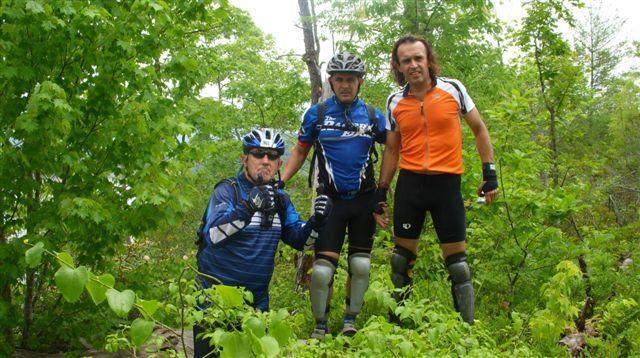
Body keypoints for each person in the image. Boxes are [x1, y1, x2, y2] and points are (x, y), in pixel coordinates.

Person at [373, 35, 499, 325]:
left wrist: (488, 173)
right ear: (398, 66)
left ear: (428, 59)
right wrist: (381, 191)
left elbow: (480, 129)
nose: (414, 65)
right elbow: (392, 149)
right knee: (401, 261)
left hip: (446, 186)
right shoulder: (395, 101)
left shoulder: (453, 89)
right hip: (410, 186)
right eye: (407, 60)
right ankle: (396, 329)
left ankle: (466, 332)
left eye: (418, 58)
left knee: (458, 267)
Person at [194, 128, 333, 356]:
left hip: (256, 302)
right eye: (258, 154)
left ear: (280, 164)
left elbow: (300, 241)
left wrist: (317, 222)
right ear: (244, 158)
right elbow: (213, 236)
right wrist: (248, 207)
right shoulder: (228, 191)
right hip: (214, 301)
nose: (265, 161)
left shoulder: (280, 200)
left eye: (273, 156)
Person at [281, 52, 387, 339]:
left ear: (360, 82)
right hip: (329, 202)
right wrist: (280, 181)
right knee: (321, 272)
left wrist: (383, 193)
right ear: (331, 81)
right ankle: (320, 325)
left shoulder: (375, 117)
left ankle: (351, 319)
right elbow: (300, 151)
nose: (344, 85)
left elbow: (397, 149)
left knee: (361, 265)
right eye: (339, 79)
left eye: (350, 80)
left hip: (364, 200)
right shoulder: (316, 114)